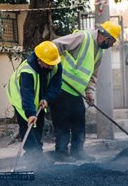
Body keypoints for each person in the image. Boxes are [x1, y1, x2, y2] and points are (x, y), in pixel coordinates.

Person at [51, 20, 121, 161]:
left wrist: (89, 92)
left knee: (79, 121)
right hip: (61, 87)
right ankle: (61, 153)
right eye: (112, 41)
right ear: (105, 36)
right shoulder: (83, 37)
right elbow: (55, 45)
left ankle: (77, 151)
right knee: (62, 122)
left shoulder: (99, 51)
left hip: (76, 92)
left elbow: (93, 74)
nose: (112, 45)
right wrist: (52, 66)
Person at [6, 40, 63, 165]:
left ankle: (38, 155)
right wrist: (31, 113)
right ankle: (32, 157)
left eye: (52, 64)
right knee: (28, 126)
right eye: (48, 64)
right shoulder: (27, 71)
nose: (51, 67)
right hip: (21, 97)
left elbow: (56, 86)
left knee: (40, 123)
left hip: (39, 97)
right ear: (39, 60)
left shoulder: (55, 64)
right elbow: (27, 94)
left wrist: (47, 98)